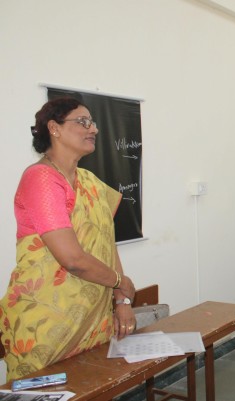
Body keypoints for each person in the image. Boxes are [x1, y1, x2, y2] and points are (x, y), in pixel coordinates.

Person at [0, 97, 137, 380]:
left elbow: (106, 244)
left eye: (93, 123)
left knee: (94, 387)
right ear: (54, 128)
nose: (93, 129)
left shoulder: (90, 182)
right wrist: (121, 282)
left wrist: (122, 302)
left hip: (92, 321)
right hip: (46, 322)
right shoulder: (41, 178)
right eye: (83, 122)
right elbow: (72, 259)